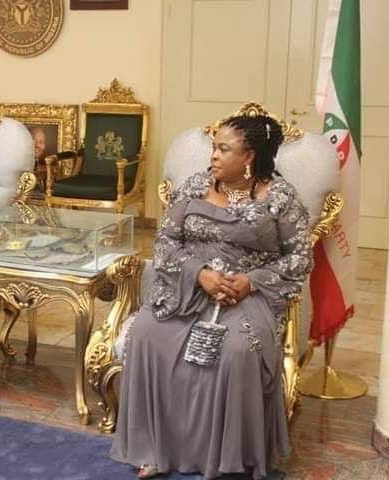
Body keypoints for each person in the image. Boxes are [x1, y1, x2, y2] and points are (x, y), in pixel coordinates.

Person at [110, 115, 313, 479]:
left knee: (236, 351)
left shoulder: (280, 198)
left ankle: (222, 458)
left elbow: (299, 257)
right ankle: (156, 447)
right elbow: (165, 243)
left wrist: (250, 282)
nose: (214, 155)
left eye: (224, 149)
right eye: (214, 147)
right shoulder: (194, 186)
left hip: (245, 295)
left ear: (249, 156)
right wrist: (199, 274)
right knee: (148, 333)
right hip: (187, 289)